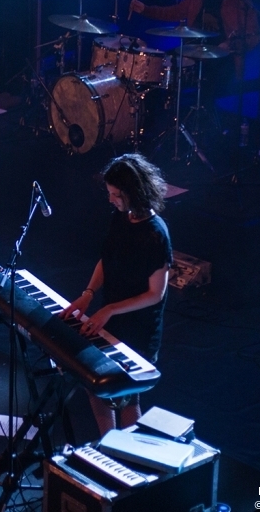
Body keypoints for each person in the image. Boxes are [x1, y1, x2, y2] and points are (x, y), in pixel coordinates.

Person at [58, 153, 173, 436]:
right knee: (97, 386)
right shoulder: (120, 218)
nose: (111, 200)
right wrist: (88, 294)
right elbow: (105, 261)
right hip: (112, 316)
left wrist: (109, 309)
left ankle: (128, 455)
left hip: (139, 328)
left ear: (134, 192)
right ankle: (108, 443)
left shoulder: (156, 234)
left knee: (126, 395)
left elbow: (155, 294)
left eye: (115, 194)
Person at [130, 0, 260, 111]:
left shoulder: (236, 2)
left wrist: (230, 45)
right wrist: (146, 9)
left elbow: (253, 36)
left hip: (221, 60)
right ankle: (158, 113)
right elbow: (176, 11)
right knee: (160, 65)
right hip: (193, 51)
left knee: (207, 94)